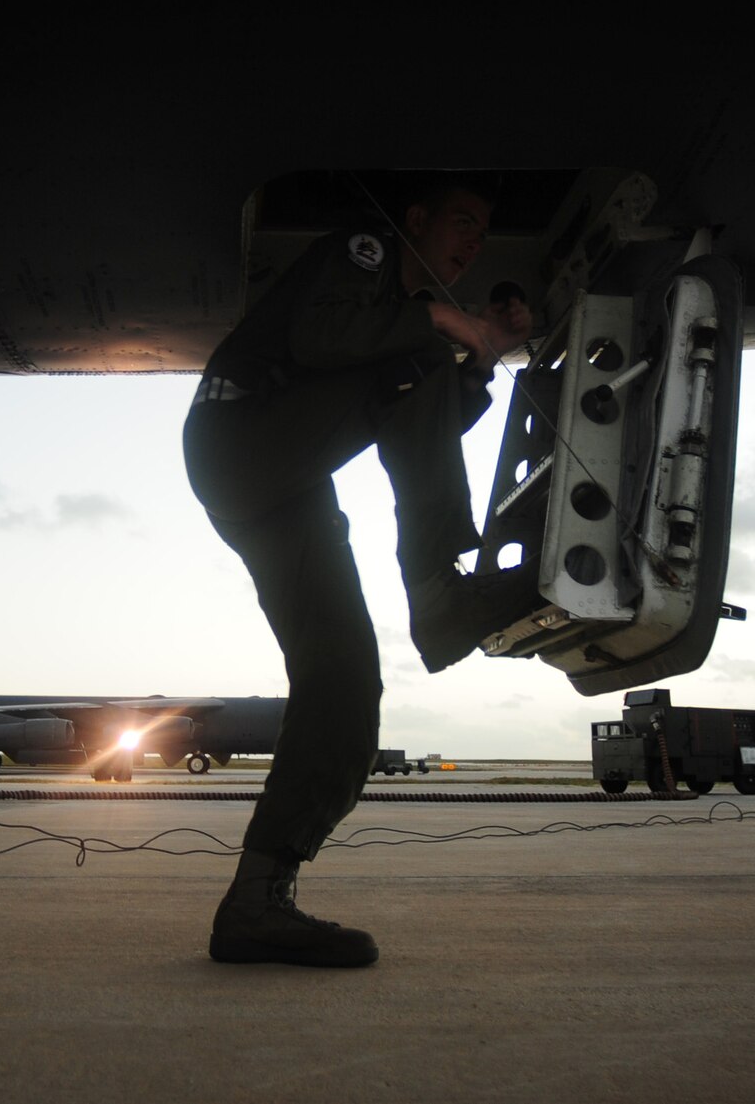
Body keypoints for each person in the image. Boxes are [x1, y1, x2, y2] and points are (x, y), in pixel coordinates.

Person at [183, 178, 538, 967]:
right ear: (416, 218)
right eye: (462, 220)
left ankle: (257, 900)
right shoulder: (361, 255)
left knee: (344, 677)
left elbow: (424, 422)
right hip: (240, 436)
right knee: (419, 353)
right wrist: (448, 322)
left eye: (485, 231)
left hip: (289, 486)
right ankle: (441, 588)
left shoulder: (403, 336)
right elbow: (317, 336)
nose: (475, 240)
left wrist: (481, 358)